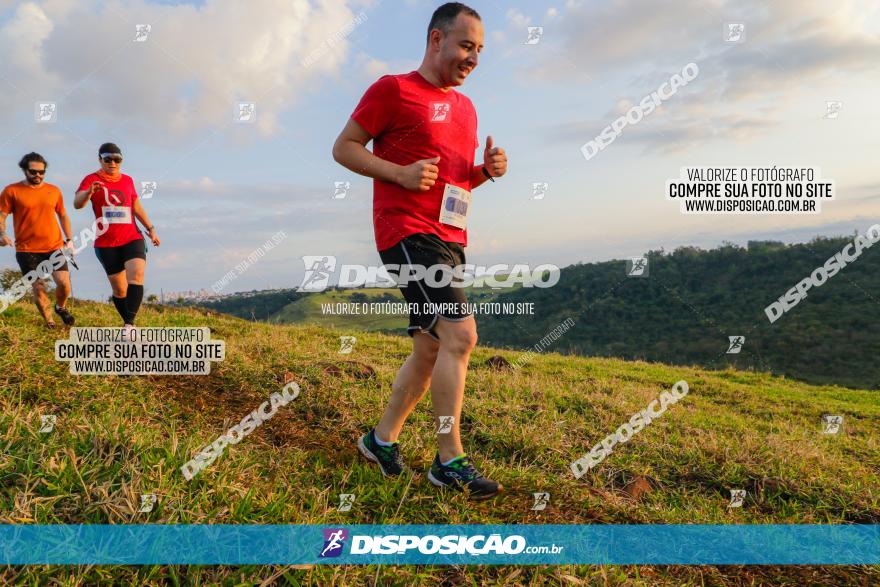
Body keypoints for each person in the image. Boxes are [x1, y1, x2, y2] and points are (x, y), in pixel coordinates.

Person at [332, 2, 508, 499]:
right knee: (460, 336)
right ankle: (449, 459)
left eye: (480, 50)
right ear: (436, 40)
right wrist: (399, 174)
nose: (473, 57)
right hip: (407, 232)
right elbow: (344, 146)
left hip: (450, 236)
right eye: (465, 45)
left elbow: (452, 182)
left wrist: (484, 173)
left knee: (432, 346)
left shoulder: (467, 108)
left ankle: (380, 441)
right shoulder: (393, 89)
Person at [73, 143, 159, 337]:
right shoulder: (91, 179)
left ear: (121, 160)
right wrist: (88, 192)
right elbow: (77, 203)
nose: (112, 163)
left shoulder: (128, 180)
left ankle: (129, 325)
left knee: (136, 275)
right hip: (106, 244)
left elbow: (136, 207)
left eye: (117, 159)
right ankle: (127, 322)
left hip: (132, 238)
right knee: (120, 290)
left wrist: (151, 229)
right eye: (107, 159)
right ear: (100, 159)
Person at [0, 152, 76, 328]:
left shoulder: (54, 190)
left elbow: (63, 215)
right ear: (24, 170)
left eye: (42, 172)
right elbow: (2, 215)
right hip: (27, 250)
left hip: (54, 247)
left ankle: (61, 307)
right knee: (39, 287)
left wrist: (69, 239)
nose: (38, 175)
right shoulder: (11, 191)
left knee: (64, 284)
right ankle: (49, 322)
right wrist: (2, 234)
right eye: (33, 172)